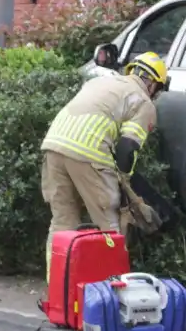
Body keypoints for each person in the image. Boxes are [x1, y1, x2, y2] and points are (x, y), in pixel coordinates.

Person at [39, 51, 167, 280]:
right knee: (109, 226)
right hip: (89, 151)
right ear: (153, 84)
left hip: (54, 145)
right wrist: (124, 184)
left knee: (62, 223)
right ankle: (114, 289)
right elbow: (127, 148)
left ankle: (58, 289)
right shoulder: (143, 101)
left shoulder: (101, 81)